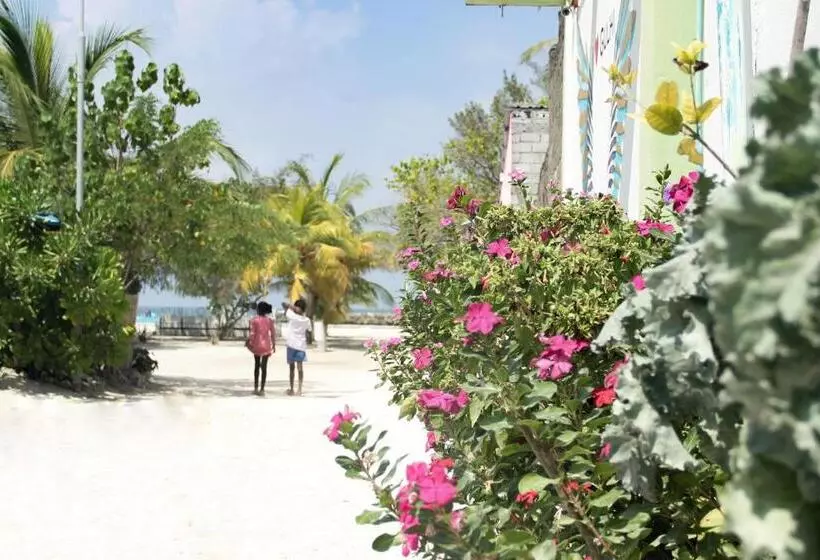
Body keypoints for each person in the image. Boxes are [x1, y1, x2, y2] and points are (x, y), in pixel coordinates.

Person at [282, 299, 311, 396]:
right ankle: (299, 389)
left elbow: (284, 304)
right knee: (300, 368)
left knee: (291, 368)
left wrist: (293, 308)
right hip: (301, 345)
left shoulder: (292, 316)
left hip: (291, 344)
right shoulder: (307, 320)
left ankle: (291, 389)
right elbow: (309, 330)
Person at [247, 301, 276, 395]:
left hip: (257, 345)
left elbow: (252, 333)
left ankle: (255, 388)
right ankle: (262, 389)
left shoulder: (254, 320)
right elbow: (273, 334)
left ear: (258, 310)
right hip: (266, 346)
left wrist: (249, 342)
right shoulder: (270, 321)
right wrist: (274, 345)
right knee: (264, 368)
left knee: (256, 366)